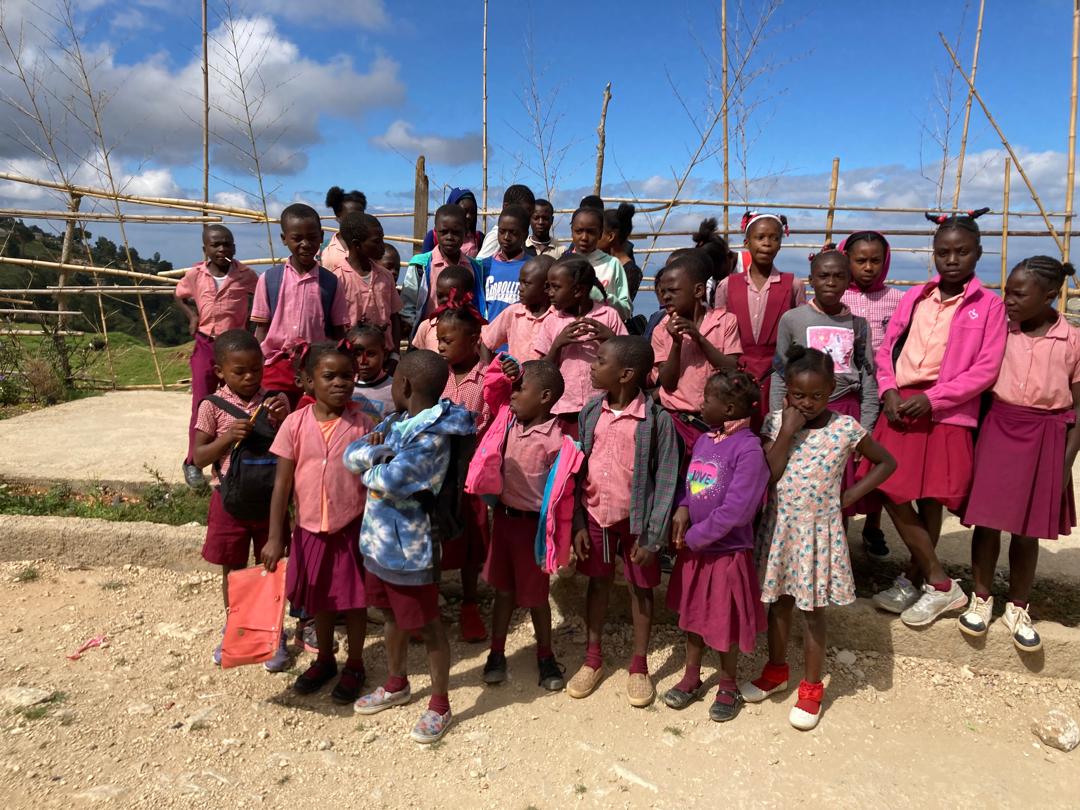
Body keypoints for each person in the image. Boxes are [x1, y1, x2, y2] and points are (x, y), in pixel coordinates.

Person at [866, 209, 1006, 628]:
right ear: (934, 254)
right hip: (902, 404)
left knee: (930, 496)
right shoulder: (916, 296)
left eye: (961, 252)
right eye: (943, 252)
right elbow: (885, 347)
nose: (951, 259)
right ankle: (939, 580)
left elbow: (986, 368)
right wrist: (889, 388)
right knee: (889, 485)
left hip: (946, 410)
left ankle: (919, 578)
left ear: (977, 253)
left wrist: (935, 398)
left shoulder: (990, 305)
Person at [745, 345, 895, 730]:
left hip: (817, 533)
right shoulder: (776, 423)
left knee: (812, 613)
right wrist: (788, 432)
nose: (807, 403)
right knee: (776, 604)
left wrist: (848, 497)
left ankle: (811, 687)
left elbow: (886, 462)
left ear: (832, 390)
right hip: (778, 530)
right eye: (798, 395)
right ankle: (776, 670)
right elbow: (769, 476)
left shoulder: (845, 428)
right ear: (786, 390)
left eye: (817, 395)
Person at [345, 350, 476, 745]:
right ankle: (396, 682)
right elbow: (351, 455)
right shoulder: (397, 421)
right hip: (379, 543)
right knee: (388, 615)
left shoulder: (434, 435)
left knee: (428, 624)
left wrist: (376, 462)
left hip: (411, 549)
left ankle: (439, 704)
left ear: (402, 385)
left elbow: (396, 480)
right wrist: (377, 457)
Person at [959, 256, 1080, 652]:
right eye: (1006, 291)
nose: (1007, 300)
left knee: (1027, 530)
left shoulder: (1073, 341)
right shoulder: (1000, 331)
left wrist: (1065, 464)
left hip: (1047, 435)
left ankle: (1018, 606)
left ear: (1049, 296)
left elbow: (1078, 412)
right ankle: (980, 598)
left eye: (1018, 294)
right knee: (988, 522)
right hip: (999, 427)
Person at [567, 336, 681, 707]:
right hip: (597, 516)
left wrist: (652, 537)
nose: (592, 366)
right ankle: (593, 658)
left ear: (626, 374)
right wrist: (579, 523)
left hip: (637, 524)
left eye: (600, 361)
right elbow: (578, 471)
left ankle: (638, 665)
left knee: (640, 589)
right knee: (597, 584)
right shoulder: (590, 412)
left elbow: (665, 478)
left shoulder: (656, 419)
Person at [261, 342, 373, 703]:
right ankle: (325, 659)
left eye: (347, 376)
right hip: (309, 529)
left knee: (355, 603)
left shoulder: (363, 425)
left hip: (351, 529)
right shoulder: (294, 424)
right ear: (307, 382)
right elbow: (282, 484)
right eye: (329, 376)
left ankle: (355, 663)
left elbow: (374, 477)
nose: (341, 383)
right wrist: (275, 536)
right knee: (321, 600)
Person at [663, 369, 770, 722]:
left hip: (724, 554)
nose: (700, 404)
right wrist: (682, 508)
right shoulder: (707, 440)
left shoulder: (749, 449)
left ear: (728, 408)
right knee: (693, 616)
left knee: (724, 623)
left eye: (707, 399)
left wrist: (695, 537)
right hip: (697, 552)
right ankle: (692, 677)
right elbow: (691, 481)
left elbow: (737, 511)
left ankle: (727, 683)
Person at [191, 328, 290, 668]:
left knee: (272, 568)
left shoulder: (275, 401)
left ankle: (274, 634)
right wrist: (225, 440)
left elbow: (290, 446)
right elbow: (200, 456)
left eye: (256, 370)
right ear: (220, 371)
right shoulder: (211, 407)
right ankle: (237, 629)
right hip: (228, 500)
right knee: (233, 570)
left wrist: (281, 419)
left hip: (269, 501)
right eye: (240, 371)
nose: (250, 377)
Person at [479, 359, 568, 691]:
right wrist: (508, 372)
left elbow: (560, 494)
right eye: (514, 388)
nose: (514, 393)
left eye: (521, 388)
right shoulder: (507, 419)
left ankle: (545, 656)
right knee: (503, 592)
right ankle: (496, 653)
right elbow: (493, 388)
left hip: (532, 529)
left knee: (535, 598)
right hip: (503, 520)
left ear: (544, 397)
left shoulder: (556, 440)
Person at [770, 250, 877, 516]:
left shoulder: (859, 325)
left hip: (844, 413)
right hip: (801, 414)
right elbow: (779, 372)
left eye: (839, 276)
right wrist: (778, 419)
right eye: (824, 276)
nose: (831, 282)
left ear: (848, 280)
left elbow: (868, 377)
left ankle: (836, 549)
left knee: (838, 491)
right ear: (811, 280)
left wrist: (866, 426)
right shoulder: (792, 319)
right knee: (796, 482)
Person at [175, 225, 259, 489]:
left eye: (227, 244)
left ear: (234, 247)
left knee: (236, 402)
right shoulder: (195, 274)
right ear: (205, 249)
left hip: (233, 349)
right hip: (206, 344)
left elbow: (260, 300)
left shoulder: (246, 275)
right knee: (202, 404)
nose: (222, 249)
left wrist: (251, 328)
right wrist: (193, 317)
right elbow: (179, 295)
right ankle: (193, 461)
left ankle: (231, 455)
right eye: (216, 245)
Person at [839, 231, 905, 558]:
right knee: (846, 461)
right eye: (860, 260)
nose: (868, 267)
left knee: (877, 458)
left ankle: (873, 526)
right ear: (846, 261)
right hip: (847, 391)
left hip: (884, 393)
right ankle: (840, 525)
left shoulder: (899, 300)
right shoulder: (838, 297)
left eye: (875, 260)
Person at [713, 211, 806, 430]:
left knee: (774, 433)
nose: (767, 243)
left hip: (778, 377)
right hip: (738, 375)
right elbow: (720, 333)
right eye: (760, 237)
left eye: (774, 238)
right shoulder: (728, 285)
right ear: (747, 242)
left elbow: (800, 332)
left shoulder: (793, 285)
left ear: (781, 244)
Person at [251, 203, 350, 404]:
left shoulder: (330, 282)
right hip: (276, 366)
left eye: (312, 237)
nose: (305, 244)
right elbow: (261, 329)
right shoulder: (270, 279)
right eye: (297, 238)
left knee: (310, 422)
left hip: (315, 369)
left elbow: (338, 332)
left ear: (321, 237)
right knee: (272, 419)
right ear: (284, 239)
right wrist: (257, 365)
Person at [652, 253, 741, 475]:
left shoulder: (725, 321)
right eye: (663, 292)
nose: (666, 297)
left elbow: (731, 368)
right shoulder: (662, 329)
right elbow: (668, 382)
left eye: (673, 291)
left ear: (698, 291)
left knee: (710, 482)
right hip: (676, 422)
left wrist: (700, 339)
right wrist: (676, 343)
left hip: (716, 423)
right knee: (675, 481)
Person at [434, 297, 492, 641]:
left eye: (448, 340)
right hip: (435, 472)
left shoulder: (487, 379)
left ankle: (469, 602)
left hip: (471, 472)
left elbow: (492, 424)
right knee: (435, 535)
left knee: (471, 538)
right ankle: (431, 599)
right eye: (438, 339)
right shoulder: (433, 373)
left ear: (473, 342)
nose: (441, 346)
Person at [534, 257, 628, 439]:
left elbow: (628, 359)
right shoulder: (551, 321)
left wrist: (610, 339)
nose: (550, 293)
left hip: (603, 406)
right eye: (549, 287)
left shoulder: (608, 316)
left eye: (556, 287)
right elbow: (542, 371)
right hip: (563, 409)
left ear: (578, 290)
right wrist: (558, 344)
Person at [401, 204, 485, 334]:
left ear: (465, 232)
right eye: (444, 232)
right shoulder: (420, 265)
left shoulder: (474, 267)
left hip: (462, 339)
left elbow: (477, 303)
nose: (450, 237)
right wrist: (424, 333)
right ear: (435, 232)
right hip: (428, 337)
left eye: (456, 232)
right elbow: (408, 307)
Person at [331, 212, 403, 356]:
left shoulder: (386, 276)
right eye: (377, 241)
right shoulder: (337, 279)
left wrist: (395, 355)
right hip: (352, 357)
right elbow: (334, 326)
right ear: (357, 244)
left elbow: (394, 318)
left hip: (385, 357)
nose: (382, 246)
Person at [481, 254, 555, 359]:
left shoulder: (558, 318)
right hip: (513, 375)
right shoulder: (513, 312)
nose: (520, 288)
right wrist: (486, 372)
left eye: (526, 283)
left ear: (546, 287)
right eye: (520, 282)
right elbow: (486, 342)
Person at [567, 206, 632, 318]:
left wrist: (604, 298)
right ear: (572, 231)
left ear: (600, 233)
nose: (584, 237)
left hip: (603, 332)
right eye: (579, 231)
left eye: (591, 232)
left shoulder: (612, 264)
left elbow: (626, 311)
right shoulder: (563, 265)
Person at [481, 205, 534, 324]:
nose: (506, 237)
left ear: (525, 235)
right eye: (502, 231)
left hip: (520, 340)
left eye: (513, 233)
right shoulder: (485, 267)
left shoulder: (532, 267)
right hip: (489, 340)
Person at [410, 265, 476, 352]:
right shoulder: (427, 326)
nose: (445, 301)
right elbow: (419, 358)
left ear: (467, 296)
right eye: (440, 296)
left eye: (451, 296)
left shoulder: (477, 329)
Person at [347, 324, 396, 424]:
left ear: (385, 354)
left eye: (371, 354)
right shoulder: (345, 387)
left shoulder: (395, 389)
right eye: (356, 354)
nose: (363, 361)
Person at [421, 188, 485, 258]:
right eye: (464, 211)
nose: (468, 216)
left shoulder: (478, 238)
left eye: (472, 212)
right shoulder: (433, 237)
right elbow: (424, 264)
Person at [478, 184, 536, 259]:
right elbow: (480, 265)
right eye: (526, 211)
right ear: (506, 207)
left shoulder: (520, 236)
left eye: (531, 212)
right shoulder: (495, 237)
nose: (529, 216)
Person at [599, 203, 642, 300]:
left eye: (598, 232)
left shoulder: (631, 271)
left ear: (610, 237)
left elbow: (622, 307)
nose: (594, 237)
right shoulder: (596, 261)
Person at [322, 186, 368, 272]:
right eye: (351, 216)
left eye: (361, 216)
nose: (357, 220)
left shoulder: (372, 245)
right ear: (338, 216)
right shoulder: (325, 248)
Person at [692, 218, 736, 306]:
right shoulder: (710, 283)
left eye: (717, 271)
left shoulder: (750, 266)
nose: (714, 277)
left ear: (728, 256)